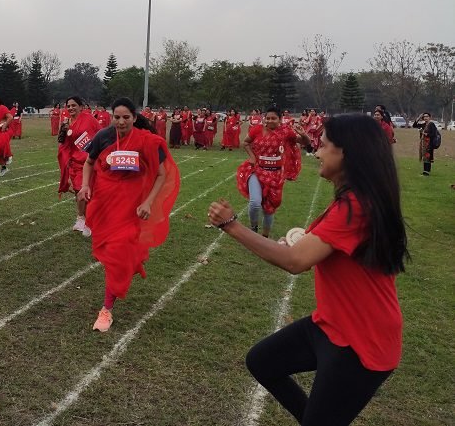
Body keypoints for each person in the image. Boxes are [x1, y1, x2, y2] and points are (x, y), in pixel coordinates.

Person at [208, 113, 409, 426]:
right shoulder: (353, 201)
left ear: (347, 153)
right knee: (263, 362)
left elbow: (295, 262)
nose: (316, 152)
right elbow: (310, 248)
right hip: (332, 325)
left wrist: (231, 225)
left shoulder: (355, 207)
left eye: (324, 146)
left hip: (362, 342)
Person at [77, 97, 180, 332]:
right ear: (111, 117)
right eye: (117, 117)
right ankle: (126, 266)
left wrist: (148, 202)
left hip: (132, 207)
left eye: (126, 117)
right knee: (114, 252)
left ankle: (106, 309)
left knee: (117, 253)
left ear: (134, 118)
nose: (121, 121)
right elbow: (89, 162)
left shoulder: (146, 141)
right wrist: (85, 185)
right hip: (104, 205)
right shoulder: (103, 136)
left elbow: (162, 174)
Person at [236, 106, 311, 238]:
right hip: (257, 171)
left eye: (273, 118)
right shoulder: (257, 130)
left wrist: (303, 134)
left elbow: (306, 143)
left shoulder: (286, 132)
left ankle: (264, 237)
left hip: (276, 176)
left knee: (269, 209)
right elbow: (246, 142)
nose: (270, 120)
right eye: (268, 118)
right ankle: (253, 229)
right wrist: (252, 157)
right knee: (255, 203)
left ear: (280, 119)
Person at [57, 96, 100, 237]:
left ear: (81, 107)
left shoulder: (89, 119)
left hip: (87, 162)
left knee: (83, 191)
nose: (70, 108)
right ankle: (82, 217)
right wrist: (63, 131)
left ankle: (86, 220)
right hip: (73, 162)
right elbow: (63, 143)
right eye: (68, 106)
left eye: (73, 105)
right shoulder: (66, 122)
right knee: (77, 191)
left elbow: (100, 134)